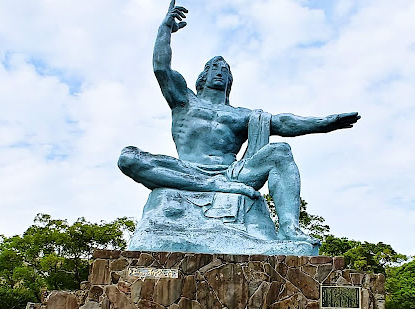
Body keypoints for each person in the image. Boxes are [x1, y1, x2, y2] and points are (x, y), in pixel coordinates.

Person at [118, 0, 360, 243]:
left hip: (232, 174)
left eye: (225, 69)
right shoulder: (184, 100)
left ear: (230, 81)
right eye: (214, 67)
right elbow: (161, 68)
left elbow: (283, 123)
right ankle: (211, 186)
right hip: (186, 169)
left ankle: (289, 229)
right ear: (203, 76)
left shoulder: (241, 116)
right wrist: (165, 29)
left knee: (280, 152)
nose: (220, 71)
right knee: (128, 158)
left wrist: (324, 123)